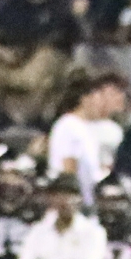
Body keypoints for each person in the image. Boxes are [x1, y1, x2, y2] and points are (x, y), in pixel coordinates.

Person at [47, 72, 126, 204]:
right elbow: (68, 167)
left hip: (89, 201)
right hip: (73, 204)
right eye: (98, 97)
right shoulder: (68, 125)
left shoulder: (85, 128)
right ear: (85, 99)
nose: (100, 103)